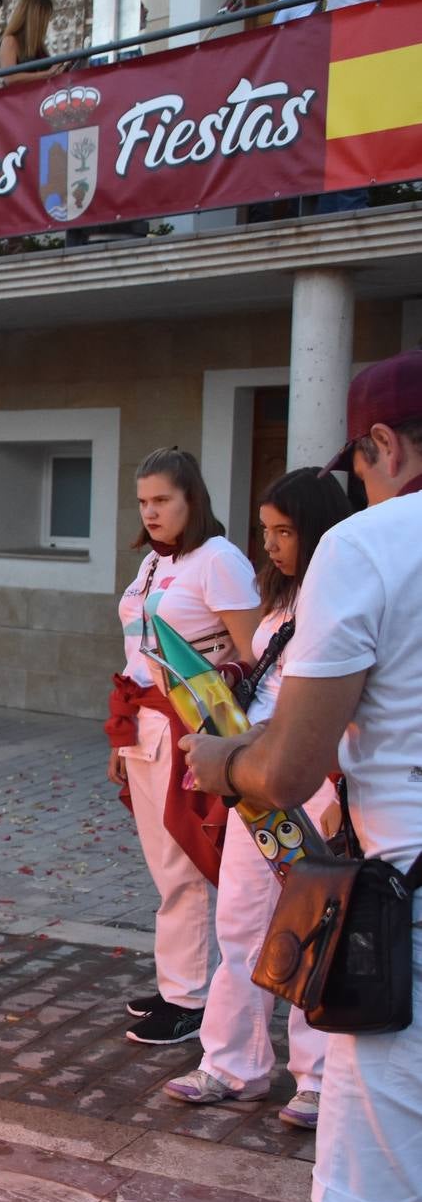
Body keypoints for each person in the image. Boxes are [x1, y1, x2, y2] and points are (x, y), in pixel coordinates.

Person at [181, 349, 422, 1202]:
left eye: (360, 466)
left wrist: (220, 760)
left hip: (404, 925)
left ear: (384, 446)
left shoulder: (370, 547)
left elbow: (290, 768)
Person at [163, 468, 350, 1125]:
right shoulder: (276, 608)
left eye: (284, 532)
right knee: (241, 924)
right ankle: (231, 1065)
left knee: (314, 926)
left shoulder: (340, 604)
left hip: (310, 786)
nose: (269, 545)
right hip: (255, 784)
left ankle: (320, 1079)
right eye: (265, 531)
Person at [105, 447, 261, 1045]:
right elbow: (135, 655)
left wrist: (221, 702)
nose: (150, 511)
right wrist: (121, 737)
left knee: (186, 860)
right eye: (143, 501)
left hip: (191, 729)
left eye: (162, 500)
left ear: (190, 499)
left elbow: (254, 655)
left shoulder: (218, 560)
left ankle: (192, 998)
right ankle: (178, 985)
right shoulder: (151, 564)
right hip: (144, 723)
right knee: (163, 862)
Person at [0, 0, 55, 84]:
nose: (47, 24)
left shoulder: (39, 46)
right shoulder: (10, 41)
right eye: (45, 19)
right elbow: (10, 78)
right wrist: (48, 73)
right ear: (35, 18)